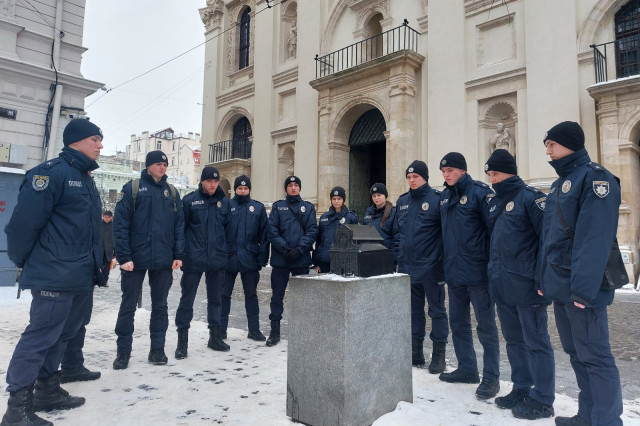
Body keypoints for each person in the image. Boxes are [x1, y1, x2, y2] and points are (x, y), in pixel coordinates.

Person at [2, 118, 104, 425]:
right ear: (75, 141)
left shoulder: (85, 178)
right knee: (40, 337)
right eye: (95, 139)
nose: (100, 145)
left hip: (79, 275)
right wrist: (24, 260)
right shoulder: (48, 174)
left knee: (63, 334)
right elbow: (22, 226)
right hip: (54, 274)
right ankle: (17, 408)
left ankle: (47, 390)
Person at [539, 121, 623, 426]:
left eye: (552, 144)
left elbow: (595, 239)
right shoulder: (560, 183)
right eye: (546, 146)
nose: (548, 151)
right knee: (576, 353)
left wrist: (583, 291)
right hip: (562, 286)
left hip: (582, 290)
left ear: (570, 143)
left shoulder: (596, 179)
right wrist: (543, 279)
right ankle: (588, 416)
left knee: (596, 357)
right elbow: (549, 239)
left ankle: (607, 421)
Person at [484, 149, 555, 420]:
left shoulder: (531, 199)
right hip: (503, 285)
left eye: (496, 174)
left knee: (536, 342)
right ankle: (521, 387)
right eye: (489, 175)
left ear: (509, 172)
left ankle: (543, 398)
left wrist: (541, 279)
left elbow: (546, 242)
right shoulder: (494, 203)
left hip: (528, 286)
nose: (492, 179)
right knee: (514, 341)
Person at [112, 150, 185, 369]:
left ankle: (157, 350)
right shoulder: (132, 188)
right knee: (128, 305)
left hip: (163, 259)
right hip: (134, 259)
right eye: (158, 164)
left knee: (160, 306)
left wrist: (178, 254)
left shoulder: (172, 192)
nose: (162, 167)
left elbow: (179, 226)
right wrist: (124, 256)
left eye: (165, 164)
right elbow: (120, 225)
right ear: (148, 166)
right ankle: (123, 352)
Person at [438, 152, 501, 400]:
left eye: (450, 170)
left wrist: (491, 267)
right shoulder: (444, 197)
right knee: (458, 323)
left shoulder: (480, 193)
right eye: (443, 171)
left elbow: (494, 232)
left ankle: (491, 377)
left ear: (462, 171)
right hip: (454, 273)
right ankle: (467, 368)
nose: (446, 175)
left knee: (486, 327)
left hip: (478, 273)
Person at [396, 161, 448, 373]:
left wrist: (441, 261)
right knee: (414, 312)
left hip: (431, 267)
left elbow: (445, 233)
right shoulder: (402, 201)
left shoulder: (437, 199)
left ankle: (439, 355)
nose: (412, 180)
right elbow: (400, 234)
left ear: (425, 177)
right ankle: (416, 351)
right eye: (409, 177)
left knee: (437, 311)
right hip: (408, 267)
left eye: (416, 177)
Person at [175, 166, 230, 358]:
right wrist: (180, 254)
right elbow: (181, 230)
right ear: (202, 181)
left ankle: (215, 337)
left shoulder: (225, 203)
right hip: (194, 258)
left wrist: (225, 253)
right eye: (209, 181)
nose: (213, 184)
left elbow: (228, 232)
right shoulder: (189, 201)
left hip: (217, 259)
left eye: (215, 181)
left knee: (216, 300)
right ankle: (182, 342)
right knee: (187, 300)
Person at [266, 176, 318, 346]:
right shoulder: (278, 206)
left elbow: (312, 230)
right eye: (290, 185)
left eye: (296, 185)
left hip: (300, 259)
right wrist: (285, 249)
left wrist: (299, 250)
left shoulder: (308, 207)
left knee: (302, 297)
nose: (293, 188)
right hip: (281, 259)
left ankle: (301, 331)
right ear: (286, 188)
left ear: (300, 188)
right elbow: (272, 230)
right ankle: (274, 332)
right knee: (277, 296)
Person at [221, 175, 270, 341]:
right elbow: (219, 232)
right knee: (224, 295)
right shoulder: (226, 206)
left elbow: (264, 236)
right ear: (235, 189)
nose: (243, 191)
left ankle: (254, 330)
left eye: (245, 188)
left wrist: (262, 259)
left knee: (251, 295)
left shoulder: (257, 208)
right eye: (240, 188)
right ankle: (220, 330)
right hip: (228, 257)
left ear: (249, 189)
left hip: (249, 258)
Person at [312, 186, 358, 273]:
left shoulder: (351, 218)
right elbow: (319, 240)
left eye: (339, 199)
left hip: (344, 262)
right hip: (325, 261)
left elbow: (355, 242)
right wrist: (316, 262)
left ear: (343, 200)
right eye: (334, 199)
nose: (336, 201)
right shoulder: (324, 217)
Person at [362, 183, 399, 258]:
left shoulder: (393, 212)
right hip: (369, 255)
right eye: (374, 196)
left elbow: (397, 238)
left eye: (379, 195)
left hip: (386, 255)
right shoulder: (368, 212)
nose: (376, 198)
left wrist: (393, 257)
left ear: (385, 196)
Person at [100, 210, 115, 284]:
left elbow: (115, 240)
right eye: (104, 217)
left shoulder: (114, 226)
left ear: (111, 217)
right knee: (97, 265)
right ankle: (96, 280)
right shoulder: (99, 225)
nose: (106, 218)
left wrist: (116, 253)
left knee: (106, 267)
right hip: (99, 249)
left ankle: (105, 281)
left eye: (108, 217)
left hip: (109, 250)